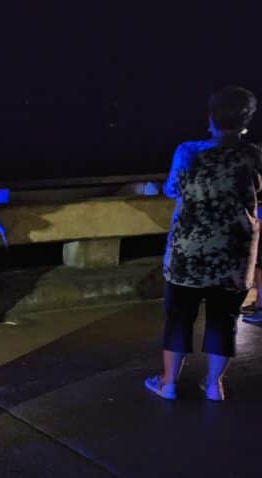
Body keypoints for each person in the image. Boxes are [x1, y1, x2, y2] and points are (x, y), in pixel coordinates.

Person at [145, 86, 262, 402]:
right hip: (234, 254)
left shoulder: (188, 151)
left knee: (179, 317)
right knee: (224, 320)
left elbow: (172, 189)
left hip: (189, 252)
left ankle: (168, 383)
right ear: (246, 121)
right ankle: (214, 386)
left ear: (211, 117)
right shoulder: (253, 155)